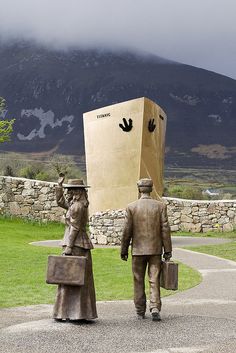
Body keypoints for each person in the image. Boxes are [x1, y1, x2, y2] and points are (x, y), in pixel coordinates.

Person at [120, 178, 172, 321]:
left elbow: (126, 231)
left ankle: (140, 310)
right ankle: (154, 306)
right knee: (154, 279)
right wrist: (168, 250)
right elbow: (165, 229)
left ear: (139, 189)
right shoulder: (160, 206)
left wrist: (123, 249)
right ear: (151, 189)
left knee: (138, 280)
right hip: (155, 250)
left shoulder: (131, 207)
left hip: (138, 250)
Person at [53, 174, 97, 321]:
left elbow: (75, 227)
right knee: (73, 278)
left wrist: (69, 247)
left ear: (78, 192)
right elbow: (61, 202)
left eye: (71, 190)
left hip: (76, 244)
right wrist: (59, 186)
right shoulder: (74, 204)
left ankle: (74, 313)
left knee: (73, 277)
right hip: (77, 243)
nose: (69, 193)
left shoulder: (77, 207)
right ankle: (70, 312)